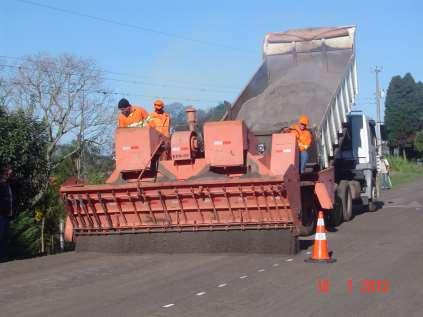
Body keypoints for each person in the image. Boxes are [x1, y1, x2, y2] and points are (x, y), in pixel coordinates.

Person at [0, 166, 13, 261]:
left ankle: (4, 257)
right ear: (3, 173)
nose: (9, 175)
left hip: (7, 214)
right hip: (1, 214)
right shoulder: (1, 185)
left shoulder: (7, 184)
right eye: (8, 174)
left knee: (5, 236)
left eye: (10, 174)